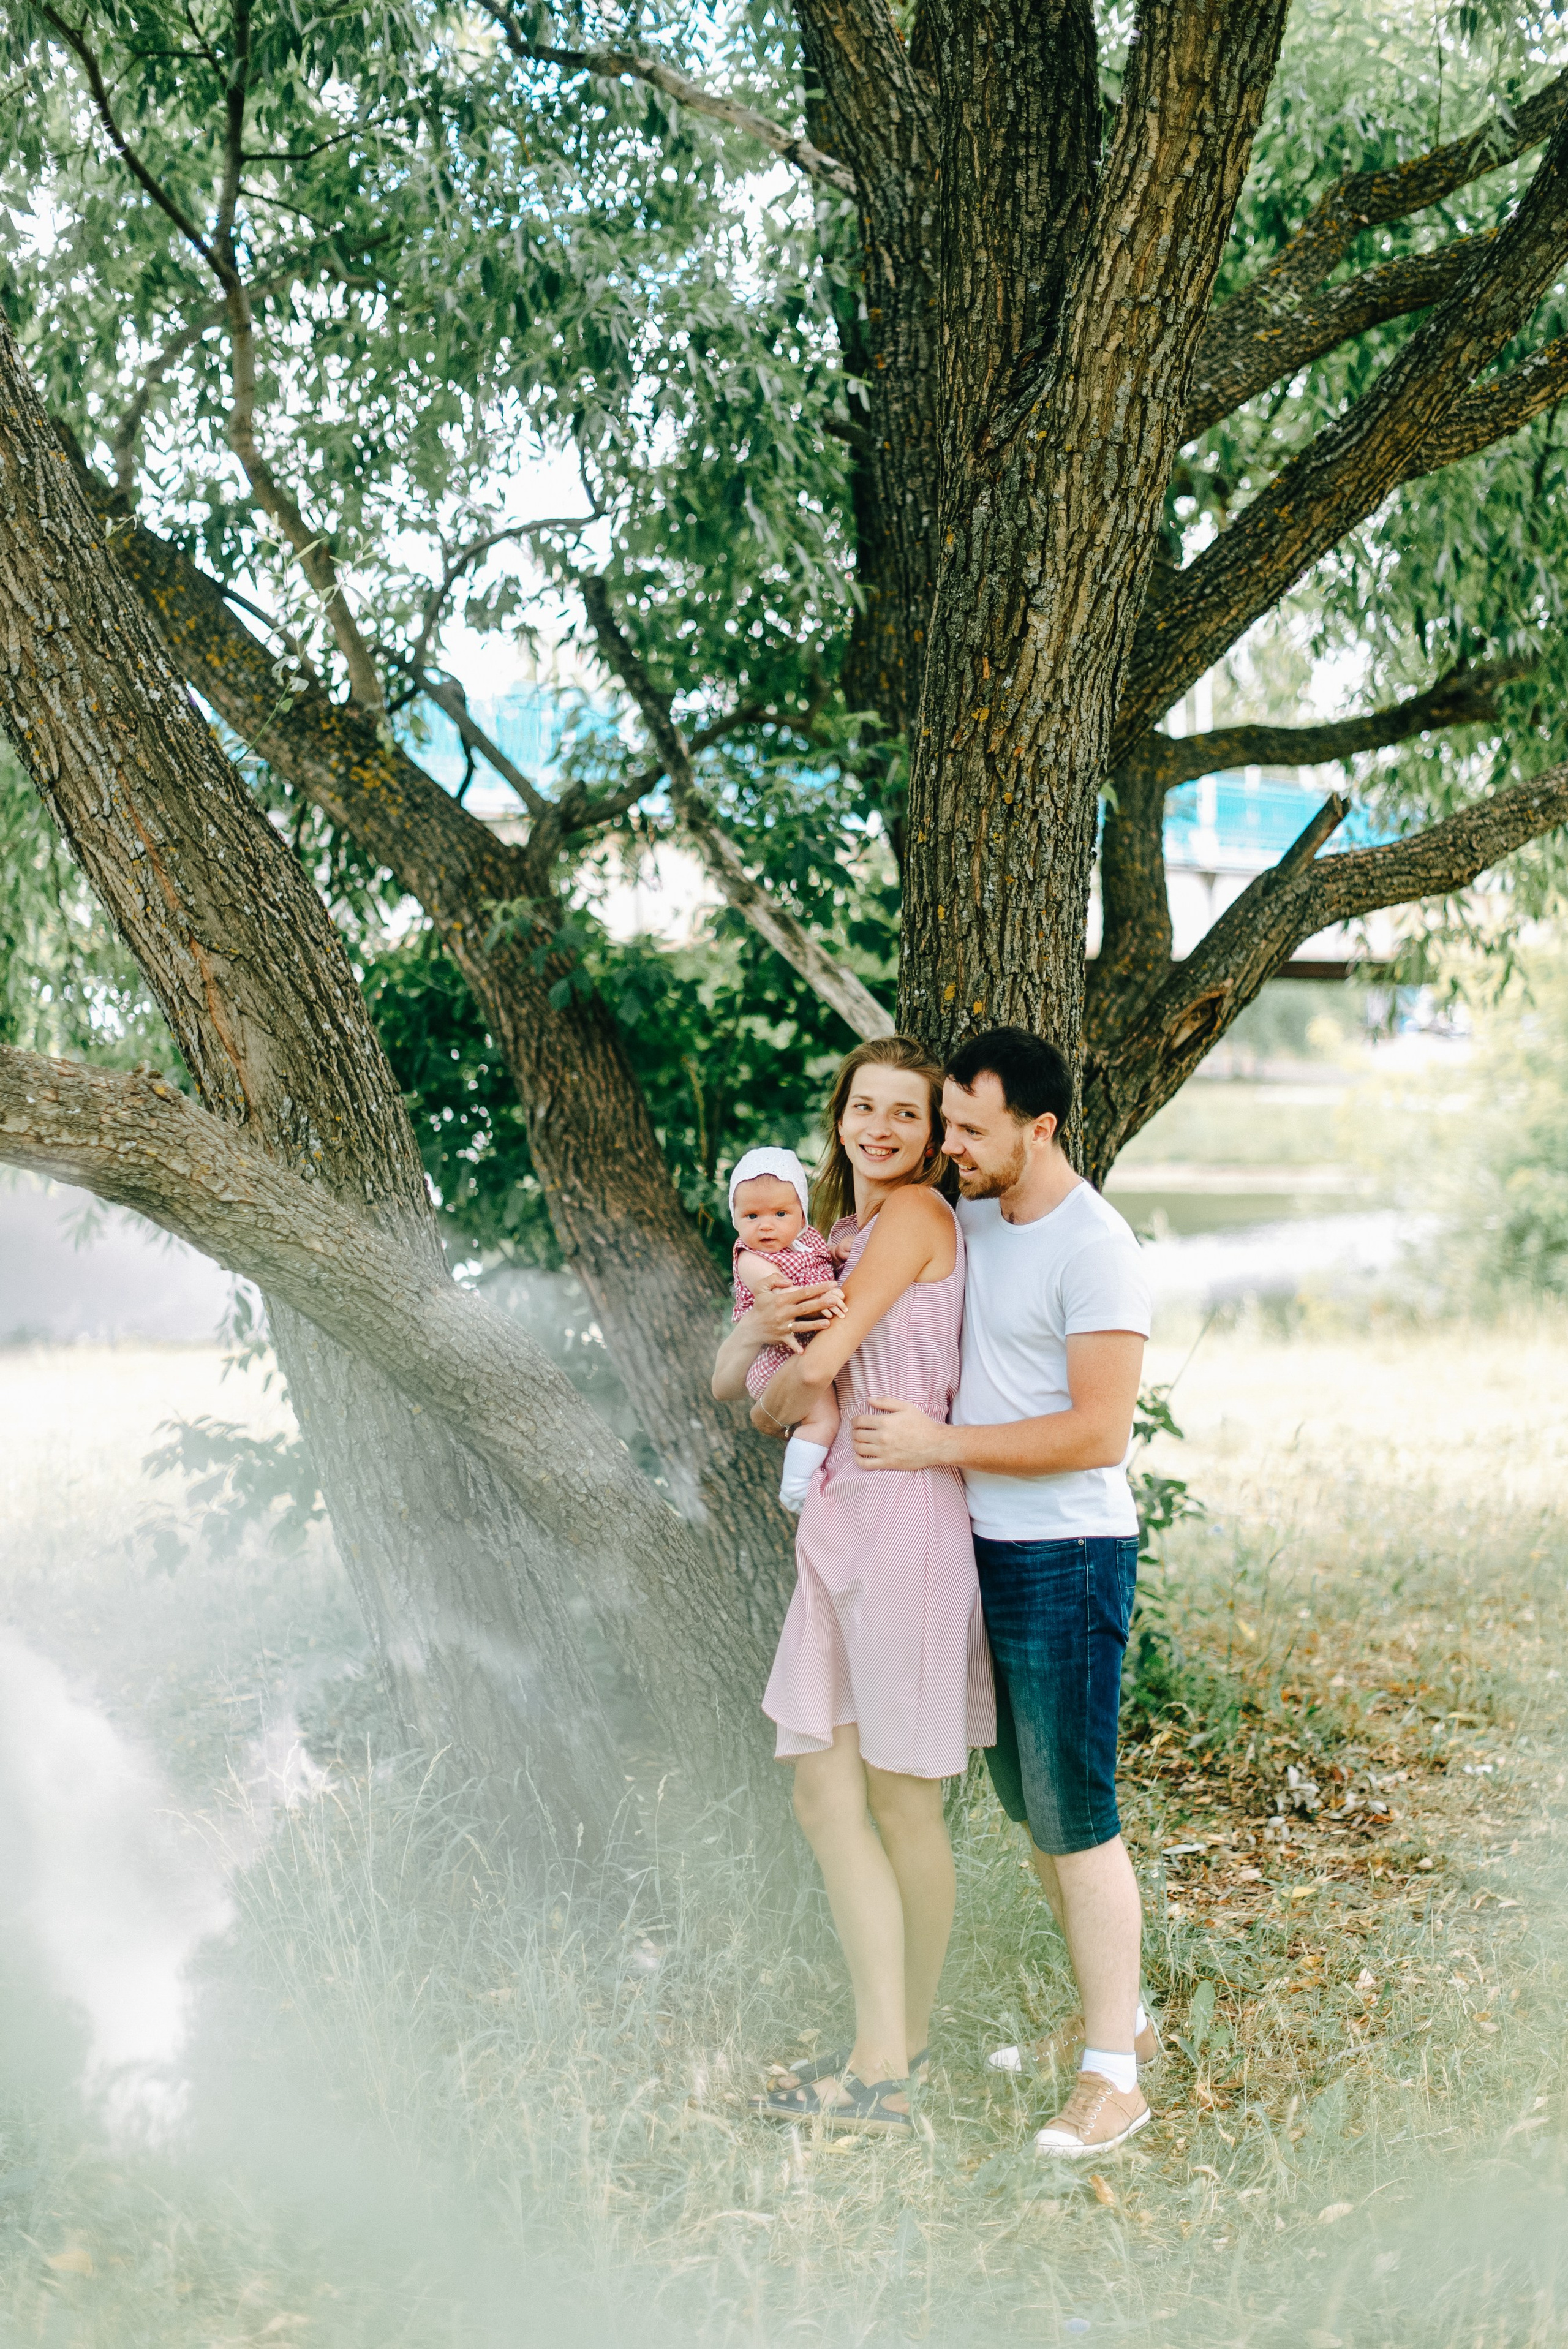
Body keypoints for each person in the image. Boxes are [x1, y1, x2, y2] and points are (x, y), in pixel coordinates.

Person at [850, 1027, 1156, 2158]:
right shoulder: (969, 1218)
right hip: (980, 1550)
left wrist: (939, 1445)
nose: (952, 1147)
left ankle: (1114, 2080)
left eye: (973, 1130)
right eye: (951, 1124)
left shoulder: (1099, 1249)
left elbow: (1097, 1431)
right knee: (1033, 1813)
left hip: (1068, 1558)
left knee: (1078, 1825)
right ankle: (1118, 2022)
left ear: (1042, 1128)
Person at [712, 1037, 993, 2136]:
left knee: (900, 1798)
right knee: (824, 1794)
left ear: (932, 1137)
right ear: (838, 1119)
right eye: (862, 1109)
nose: (880, 1130)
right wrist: (754, 1343)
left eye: (905, 1116)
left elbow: (800, 1384)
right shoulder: (828, 1239)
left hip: (907, 1520)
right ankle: (891, 2046)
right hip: (837, 1522)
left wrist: (774, 1387)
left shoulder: (920, 1216)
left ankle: (889, 2063)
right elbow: (730, 1375)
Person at [726, 1146, 848, 1513]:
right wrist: (820, 1298)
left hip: (802, 1346)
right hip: (777, 1356)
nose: (766, 1225)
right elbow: (782, 1295)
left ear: (801, 1215)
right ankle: (796, 1490)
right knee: (823, 1419)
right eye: (751, 1215)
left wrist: (838, 1252)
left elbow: (819, 1259)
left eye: (780, 1213)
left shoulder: (808, 1240)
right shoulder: (750, 1258)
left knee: (828, 1417)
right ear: (734, 1218)